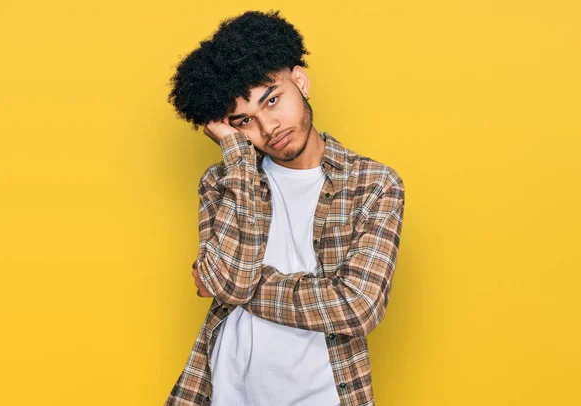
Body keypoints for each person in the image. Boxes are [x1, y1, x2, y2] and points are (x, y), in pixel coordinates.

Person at [164, 9, 405, 406]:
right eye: (244, 121)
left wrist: (236, 287)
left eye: (272, 100)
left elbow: (356, 307)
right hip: (223, 390)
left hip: (324, 394)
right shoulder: (220, 182)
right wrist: (238, 160)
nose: (268, 127)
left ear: (301, 80)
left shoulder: (373, 184)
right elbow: (230, 282)